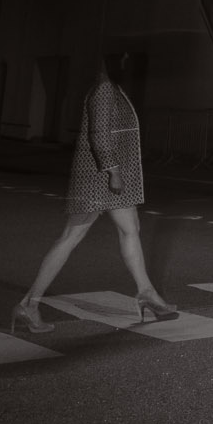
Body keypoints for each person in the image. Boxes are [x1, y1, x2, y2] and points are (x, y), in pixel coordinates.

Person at [11, 52, 179, 334]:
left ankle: (147, 293)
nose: (127, 63)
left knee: (131, 229)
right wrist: (113, 171)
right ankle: (28, 304)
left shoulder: (111, 87)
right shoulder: (103, 89)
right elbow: (99, 134)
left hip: (108, 179)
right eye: (123, 58)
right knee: (70, 237)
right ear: (110, 60)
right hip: (98, 179)